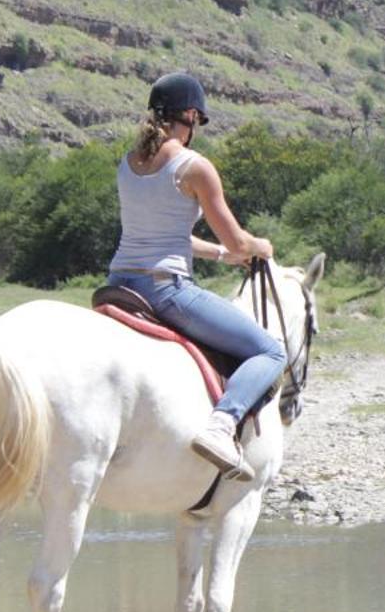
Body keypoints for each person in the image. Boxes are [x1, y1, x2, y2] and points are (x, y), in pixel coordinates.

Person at [106, 72, 286, 479]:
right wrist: (260, 247)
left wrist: (220, 255)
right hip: (164, 290)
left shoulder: (128, 163)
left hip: (118, 285)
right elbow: (240, 243)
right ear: (189, 115)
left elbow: (169, 235)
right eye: (198, 122)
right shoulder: (194, 167)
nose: (197, 131)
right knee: (271, 352)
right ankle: (222, 426)